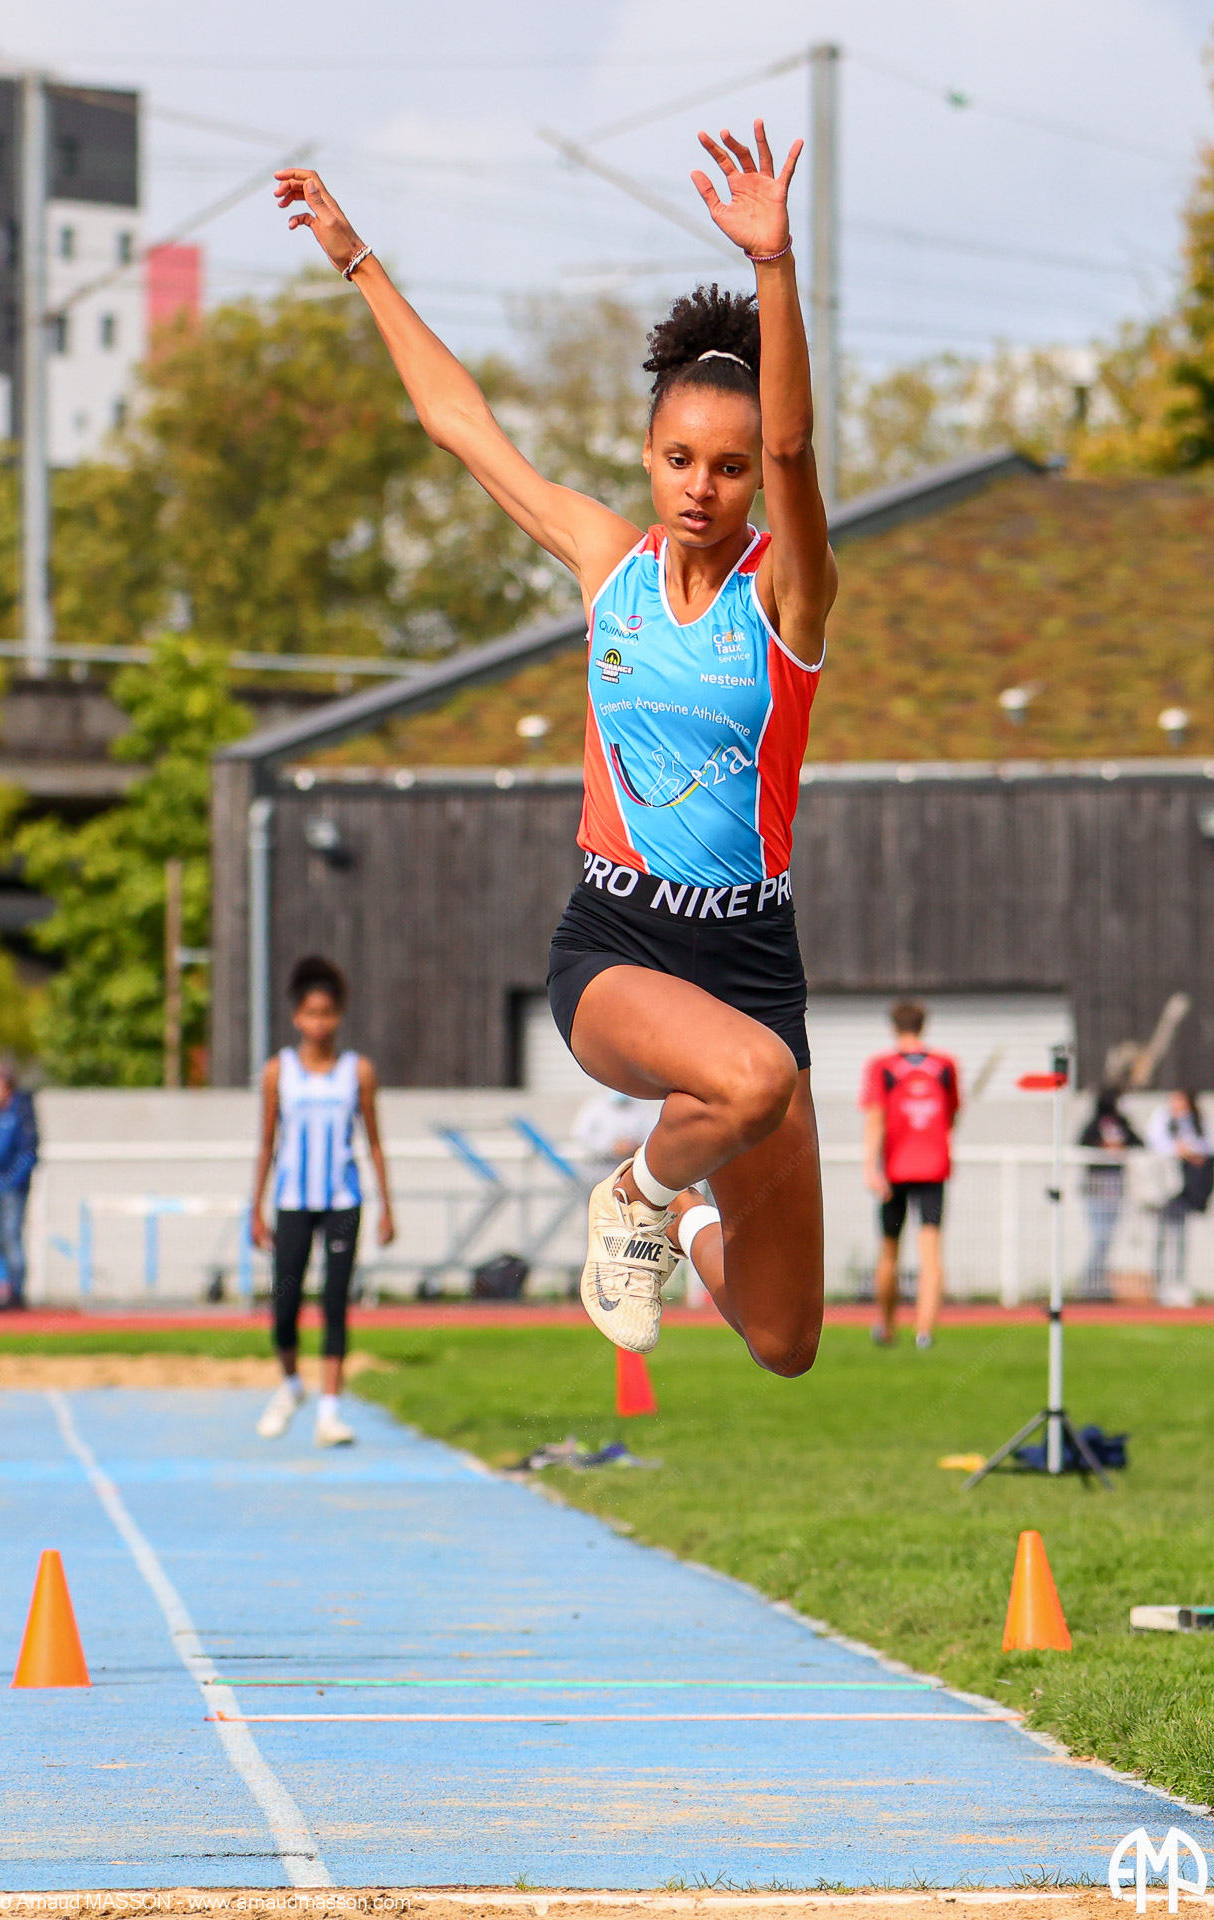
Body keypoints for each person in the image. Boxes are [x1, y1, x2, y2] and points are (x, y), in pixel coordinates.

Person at [276, 118, 834, 1376]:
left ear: (755, 481)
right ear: (646, 457)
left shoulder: (786, 599)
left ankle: (674, 1214)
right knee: (754, 1085)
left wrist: (773, 264)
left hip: (750, 962)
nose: (701, 487)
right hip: (619, 949)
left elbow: (798, 445)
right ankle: (634, 1195)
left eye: (729, 467)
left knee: (785, 1336)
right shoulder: (606, 563)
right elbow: (460, 425)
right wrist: (357, 259)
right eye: (679, 459)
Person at [250, 956, 395, 1444]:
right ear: (297, 1017)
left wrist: (387, 1206)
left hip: (342, 1201)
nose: (319, 1023)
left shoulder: (358, 1071)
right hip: (293, 1200)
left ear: (339, 1016)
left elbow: (374, 1142)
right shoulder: (279, 1071)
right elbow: (266, 1143)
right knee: (285, 1305)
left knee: (335, 1303)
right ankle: (292, 1384)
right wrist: (256, 1208)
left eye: (327, 1013)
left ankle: (329, 1412)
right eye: (311, 1013)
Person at [861, 1002, 959, 1350]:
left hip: (895, 1171)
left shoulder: (882, 1066)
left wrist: (870, 1166)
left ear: (893, 1027)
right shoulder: (945, 1065)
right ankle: (924, 1333)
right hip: (934, 1168)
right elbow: (951, 1116)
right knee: (931, 1252)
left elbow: (875, 1117)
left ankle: (887, 1328)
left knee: (889, 1251)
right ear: (923, 1025)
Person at [0, 1060, 38, 1309]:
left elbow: (29, 1152)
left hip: (13, 1188)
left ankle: (16, 1292)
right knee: (0, 1240)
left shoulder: (21, 1109)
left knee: (12, 1238)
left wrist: (12, 1180)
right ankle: (0, 1290)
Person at [1146, 1089, 1212, 1307]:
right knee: (1162, 1237)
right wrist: (1177, 1149)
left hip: (1186, 1186)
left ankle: (1178, 1284)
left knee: (1180, 1237)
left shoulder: (1197, 1121)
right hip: (1164, 1185)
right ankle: (1159, 1284)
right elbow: (1154, 1142)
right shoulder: (1163, 1118)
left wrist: (1192, 1151)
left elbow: (1207, 1145)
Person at [1077, 1088, 1142, 1299]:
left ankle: (1097, 1282)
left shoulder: (1123, 1123)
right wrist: (1103, 1146)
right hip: (1097, 1185)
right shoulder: (1094, 1123)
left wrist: (1121, 1146)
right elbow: (1082, 1143)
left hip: (1115, 1185)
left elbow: (1139, 1143)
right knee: (1100, 1236)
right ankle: (1088, 1282)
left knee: (1108, 1236)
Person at [571, 1089, 661, 1181]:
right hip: (600, 1167)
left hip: (631, 1166)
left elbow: (654, 1133)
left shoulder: (641, 1108)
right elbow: (581, 1136)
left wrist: (635, 1145)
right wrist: (610, 1147)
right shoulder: (595, 1107)